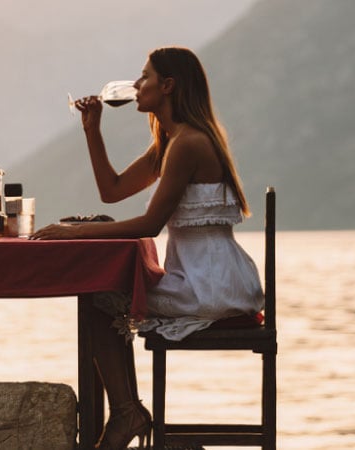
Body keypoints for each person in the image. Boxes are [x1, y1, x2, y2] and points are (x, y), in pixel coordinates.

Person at [32, 47, 264, 449]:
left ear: (168, 86)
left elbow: (151, 225)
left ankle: (125, 414)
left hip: (209, 284)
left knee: (99, 296)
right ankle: (128, 412)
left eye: (144, 77)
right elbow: (112, 191)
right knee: (101, 291)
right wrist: (92, 129)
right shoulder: (172, 142)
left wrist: (74, 233)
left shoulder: (188, 143)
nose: (136, 86)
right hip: (203, 276)